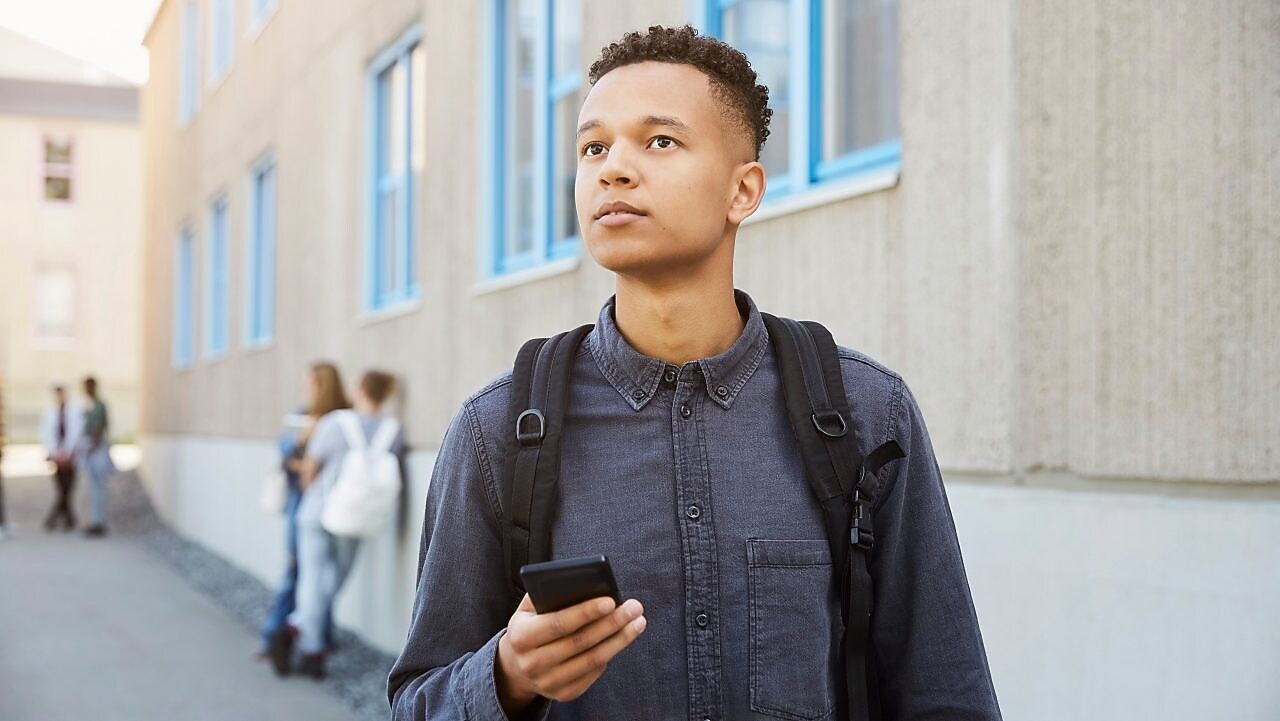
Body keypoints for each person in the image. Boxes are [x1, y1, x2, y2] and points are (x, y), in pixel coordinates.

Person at [388, 25, 1001, 721]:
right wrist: (506, 675)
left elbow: (947, 693)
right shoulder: (496, 430)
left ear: (743, 190)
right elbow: (417, 700)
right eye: (594, 147)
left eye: (659, 141)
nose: (613, 169)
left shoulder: (867, 411)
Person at [269, 370, 404, 679]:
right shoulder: (393, 430)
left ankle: (296, 633)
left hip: (317, 511)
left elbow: (310, 468)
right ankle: (310, 650)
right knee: (332, 582)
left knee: (313, 581)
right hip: (355, 517)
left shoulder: (335, 423)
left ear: (360, 389)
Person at [258, 362, 349, 666]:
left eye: (311, 382)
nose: (307, 387)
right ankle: (276, 637)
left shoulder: (342, 417)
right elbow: (287, 455)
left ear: (322, 385)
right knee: (296, 568)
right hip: (305, 501)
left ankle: (314, 638)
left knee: (324, 575)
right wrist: (303, 441)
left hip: (328, 502)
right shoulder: (301, 415)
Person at [40, 383, 84, 531]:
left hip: (71, 455)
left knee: (67, 488)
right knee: (62, 488)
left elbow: (77, 432)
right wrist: (53, 452)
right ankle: (69, 519)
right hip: (57, 455)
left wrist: (69, 451)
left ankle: (54, 518)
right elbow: (46, 433)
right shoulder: (51, 411)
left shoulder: (74, 410)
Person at [78, 376, 115, 538]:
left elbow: (98, 430)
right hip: (93, 449)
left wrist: (91, 448)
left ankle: (98, 522)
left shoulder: (99, 406)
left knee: (97, 488)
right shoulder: (93, 406)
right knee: (94, 488)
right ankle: (96, 520)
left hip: (96, 450)